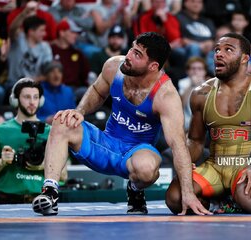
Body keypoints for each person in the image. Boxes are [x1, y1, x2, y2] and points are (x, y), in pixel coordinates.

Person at [32, 32, 210, 216]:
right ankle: (50, 192)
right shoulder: (114, 67)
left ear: (153, 66)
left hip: (136, 153)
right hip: (104, 143)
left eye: (138, 54)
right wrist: (80, 111)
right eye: (132, 49)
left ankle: (134, 190)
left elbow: (178, 145)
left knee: (148, 169)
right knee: (62, 121)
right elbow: (97, 91)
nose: (129, 56)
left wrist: (188, 192)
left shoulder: (166, 96)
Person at [165, 32, 251, 214]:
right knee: (176, 198)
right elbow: (196, 141)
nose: (219, 54)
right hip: (214, 167)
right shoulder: (201, 93)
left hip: (246, 167)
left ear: (244, 58)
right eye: (217, 49)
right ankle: (217, 202)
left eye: (228, 50)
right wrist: (185, 167)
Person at [0, 78, 67, 204]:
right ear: (15, 100)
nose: (32, 102)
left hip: (42, 200)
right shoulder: (0, 131)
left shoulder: (52, 132)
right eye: (27, 97)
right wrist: (2, 162)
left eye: (36, 97)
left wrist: (44, 165)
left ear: (41, 100)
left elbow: (64, 176)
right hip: (6, 201)